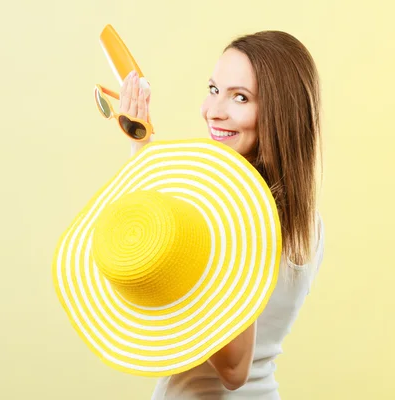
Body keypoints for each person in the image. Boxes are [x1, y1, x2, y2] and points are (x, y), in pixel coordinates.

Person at [117, 30, 325, 399]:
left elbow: (233, 369)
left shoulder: (229, 217)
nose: (213, 111)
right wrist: (141, 145)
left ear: (280, 114)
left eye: (240, 97)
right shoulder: (308, 221)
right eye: (214, 89)